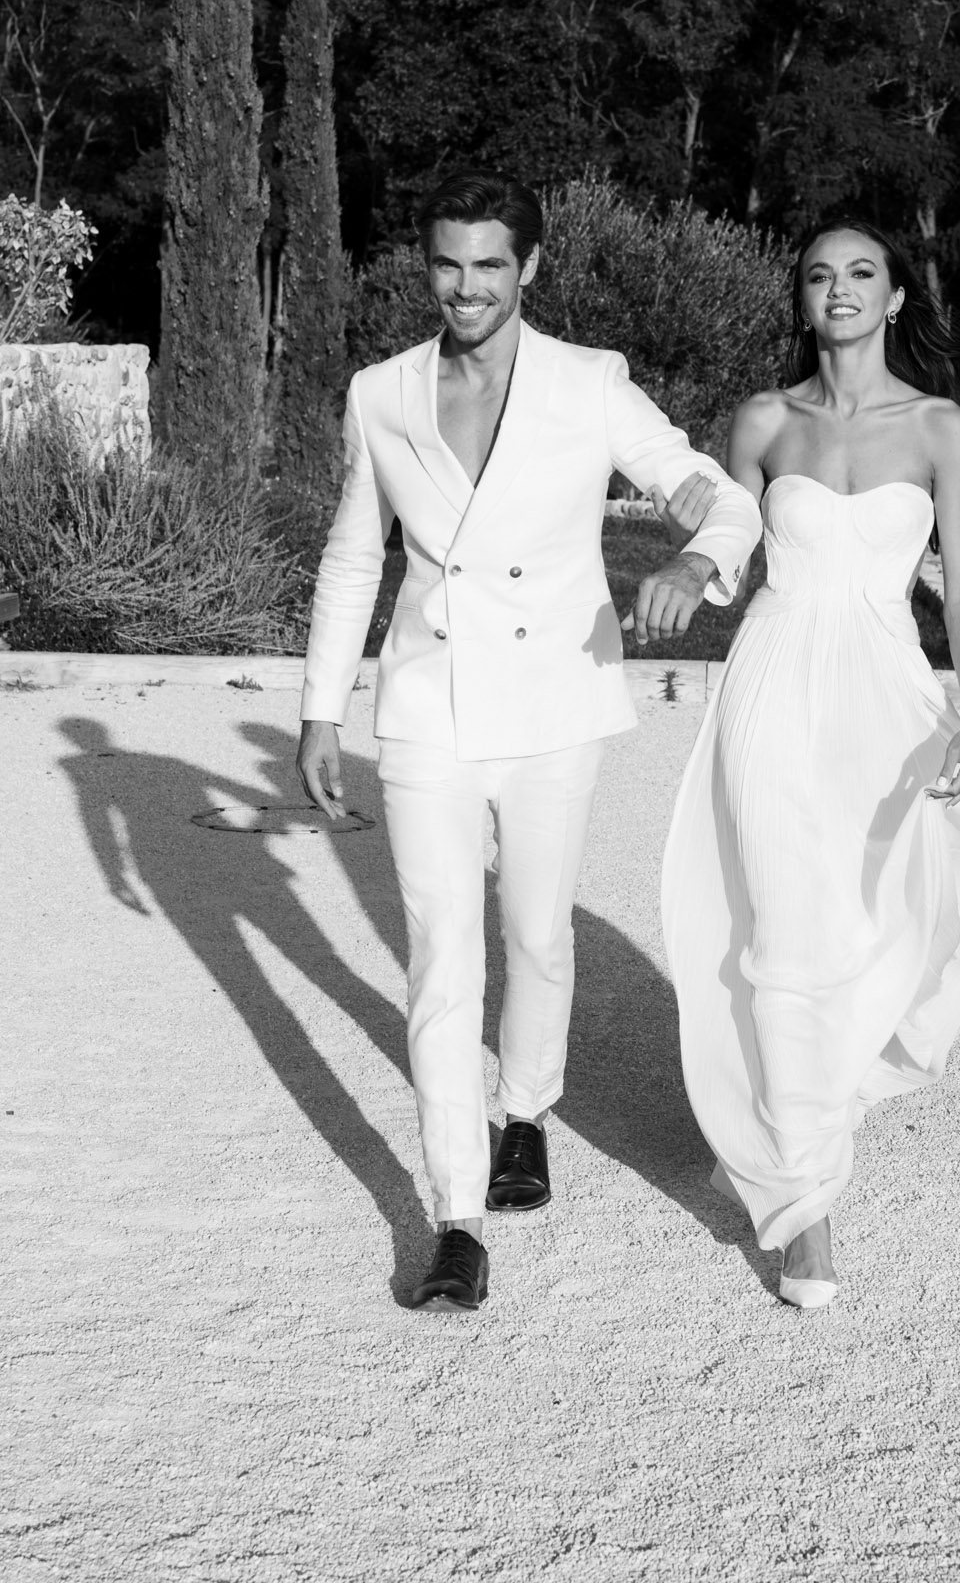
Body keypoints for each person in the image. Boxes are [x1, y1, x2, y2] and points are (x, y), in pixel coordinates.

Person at [296, 173, 761, 1313]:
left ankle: (525, 1110)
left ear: (530, 268)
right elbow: (355, 553)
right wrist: (320, 708)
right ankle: (455, 1218)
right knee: (441, 957)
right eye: (447, 264)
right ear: (428, 265)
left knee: (538, 937)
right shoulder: (381, 392)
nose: (466, 288)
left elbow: (718, 495)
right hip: (428, 706)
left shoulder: (590, 384)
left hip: (555, 706)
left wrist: (695, 559)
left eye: (489, 265)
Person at [660, 220, 960, 1308]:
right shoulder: (763, 420)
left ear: (894, 298)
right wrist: (688, 566)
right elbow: (732, 544)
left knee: (868, 921)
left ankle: (808, 1106)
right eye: (819, 274)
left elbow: (958, 590)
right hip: (773, 681)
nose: (839, 289)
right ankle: (805, 1209)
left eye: (861, 273)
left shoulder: (938, 426)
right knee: (784, 928)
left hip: (884, 690)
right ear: (802, 297)